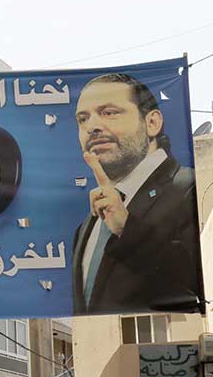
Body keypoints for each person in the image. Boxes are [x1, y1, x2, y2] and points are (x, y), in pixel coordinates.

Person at [70, 73, 202, 315]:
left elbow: (201, 282)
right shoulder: (88, 226)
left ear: (152, 122)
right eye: (83, 119)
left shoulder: (190, 187)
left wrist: (128, 229)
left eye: (109, 112)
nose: (92, 127)